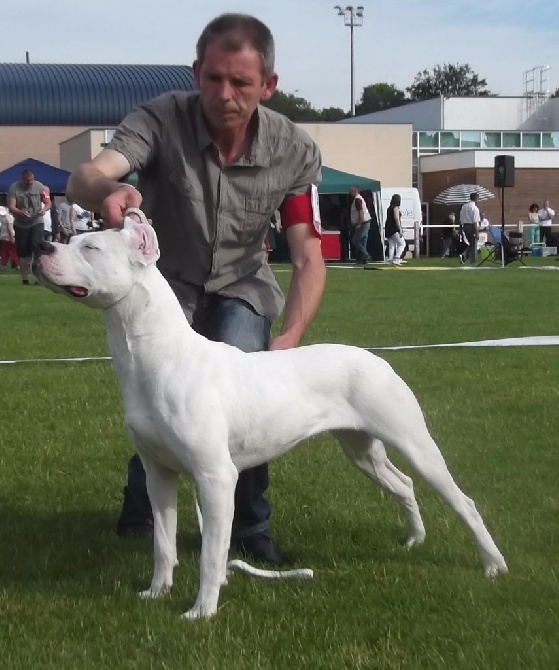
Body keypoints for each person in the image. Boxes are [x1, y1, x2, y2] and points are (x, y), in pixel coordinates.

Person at [66, 12, 326, 566]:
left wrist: (293, 333)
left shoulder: (293, 148)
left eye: (241, 82)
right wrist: (109, 189)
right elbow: (87, 177)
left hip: (243, 285)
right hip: (168, 284)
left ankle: (250, 526)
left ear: (268, 86)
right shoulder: (159, 119)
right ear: (196, 73)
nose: (224, 94)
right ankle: (143, 513)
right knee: (156, 394)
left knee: (241, 387)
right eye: (213, 78)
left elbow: (307, 254)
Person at [7, 169, 49, 284]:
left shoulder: (40, 186)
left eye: (31, 180)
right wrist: (21, 212)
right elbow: (11, 207)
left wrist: (44, 210)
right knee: (23, 252)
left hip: (37, 221)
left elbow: (48, 202)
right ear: (22, 178)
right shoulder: (14, 188)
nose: (30, 182)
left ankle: (38, 278)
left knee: (36, 247)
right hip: (21, 223)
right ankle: (24, 279)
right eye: (27, 180)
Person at [349, 186, 372, 263]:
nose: (350, 193)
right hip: (366, 222)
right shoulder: (360, 198)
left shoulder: (357, 200)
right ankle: (363, 259)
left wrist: (359, 223)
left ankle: (366, 255)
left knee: (355, 241)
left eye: (351, 191)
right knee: (362, 241)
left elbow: (360, 212)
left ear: (355, 191)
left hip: (363, 223)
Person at [459, 192, 480, 265]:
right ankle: (472, 260)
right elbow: (475, 222)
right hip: (471, 226)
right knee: (473, 244)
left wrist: (460, 229)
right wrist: (477, 233)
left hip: (465, 226)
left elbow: (461, 219)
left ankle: (464, 255)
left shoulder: (464, 206)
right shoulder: (475, 208)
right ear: (476, 198)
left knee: (471, 243)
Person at [384, 193, 406, 264]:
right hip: (394, 228)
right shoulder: (396, 208)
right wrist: (400, 229)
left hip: (388, 228)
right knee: (402, 244)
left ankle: (390, 259)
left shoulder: (389, 208)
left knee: (391, 245)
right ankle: (397, 257)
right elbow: (396, 218)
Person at [0, 205, 18, 270]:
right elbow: (10, 228)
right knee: (13, 251)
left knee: (4, 252)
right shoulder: (9, 217)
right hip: (8, 237)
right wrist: (12, 238)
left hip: (3, 237)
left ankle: (3, 264)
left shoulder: (2, 218)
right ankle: (17, 264)